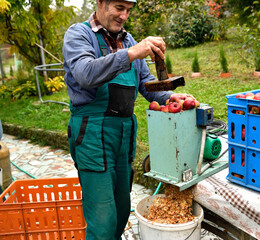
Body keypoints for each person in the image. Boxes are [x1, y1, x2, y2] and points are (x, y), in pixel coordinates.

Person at [62, 0, 186, 239]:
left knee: (120, 211)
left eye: (128, 10)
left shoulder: (128, 41)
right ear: (100, 3)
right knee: (102, 219)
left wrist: (171, 95)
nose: (124, 16)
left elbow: (145, 84)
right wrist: (131, 53)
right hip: (93, 135)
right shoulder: (79, 34)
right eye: (119, 7)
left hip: (123, 135)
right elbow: (85, 73)